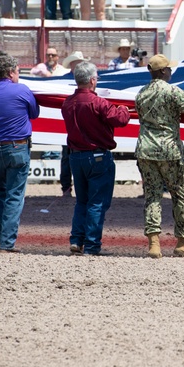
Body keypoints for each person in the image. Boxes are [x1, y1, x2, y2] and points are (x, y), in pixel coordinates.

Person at [135, 54, 184, 259]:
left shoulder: (141, 93)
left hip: (146, 149)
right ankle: (183, 242)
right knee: (179, 195)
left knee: (152, 195)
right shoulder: (174, 91)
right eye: (169, 69)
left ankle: (154, 244)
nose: (171, 72)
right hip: (170, 150)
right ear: (163, 71)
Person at [61, 61, 130, 256]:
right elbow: (120, 120)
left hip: (76, 157)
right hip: (98, 157)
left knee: (82, 201)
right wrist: (124, 108)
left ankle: (77, 239)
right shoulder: (99, 103)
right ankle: (91, 245)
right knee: (97, 202)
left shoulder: (67, 103)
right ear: (92, 80)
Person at [0, 53, 39, 253]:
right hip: (17, 147)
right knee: (14, 195)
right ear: (11, 72)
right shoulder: (22, 90)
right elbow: (35, 113)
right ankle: (7, 243)